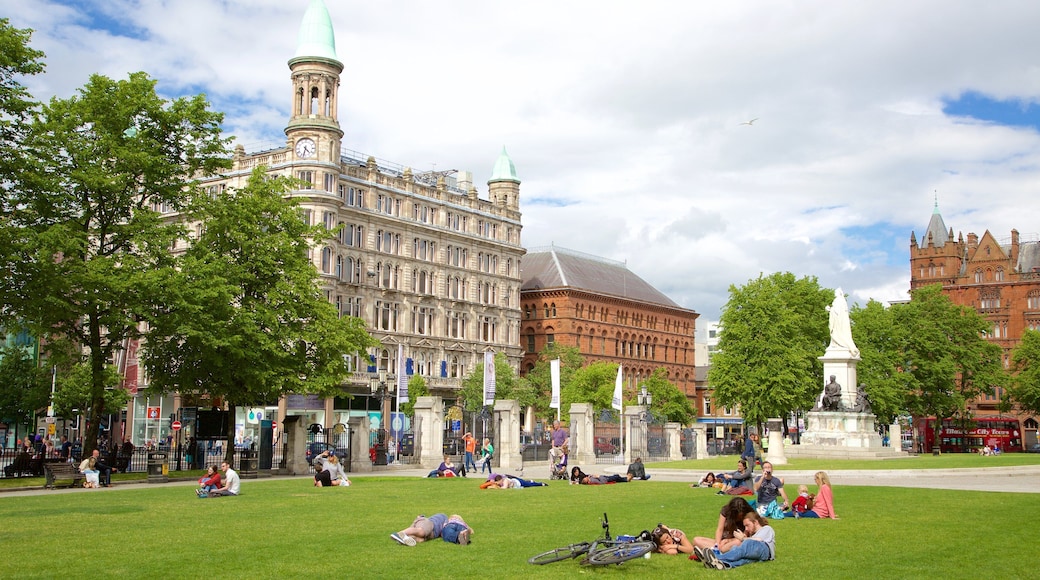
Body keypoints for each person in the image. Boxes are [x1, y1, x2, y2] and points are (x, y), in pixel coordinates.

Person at [697, 510, 775, 569]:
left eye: (747, 525)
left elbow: (758, 540)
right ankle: (722, 564)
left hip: (764, 549)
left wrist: (743, 538)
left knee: (745, 545)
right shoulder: (753, 534)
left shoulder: (767, 528)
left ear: (755, 522)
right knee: (743, 559)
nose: (746, 529)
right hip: (764, 556)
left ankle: (716, 557)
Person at [391, 513, 472, 546]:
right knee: (421, 532)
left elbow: (443, 532)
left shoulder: (447, 524)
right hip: (430, 524)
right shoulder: (443, 517)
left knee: (421, 539)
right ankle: (400, 533)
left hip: (432, 534)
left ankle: (404, 539)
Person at [826, 287, 859, 356]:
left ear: (839, 293)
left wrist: (829, 309)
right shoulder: (842, 301)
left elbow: (836, 312)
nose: (835, 293)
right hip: (840, 323)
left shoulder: (838, 300)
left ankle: (837, 344)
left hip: (838, 323)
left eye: (836, 292)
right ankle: (836, 344)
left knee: (836, 333)